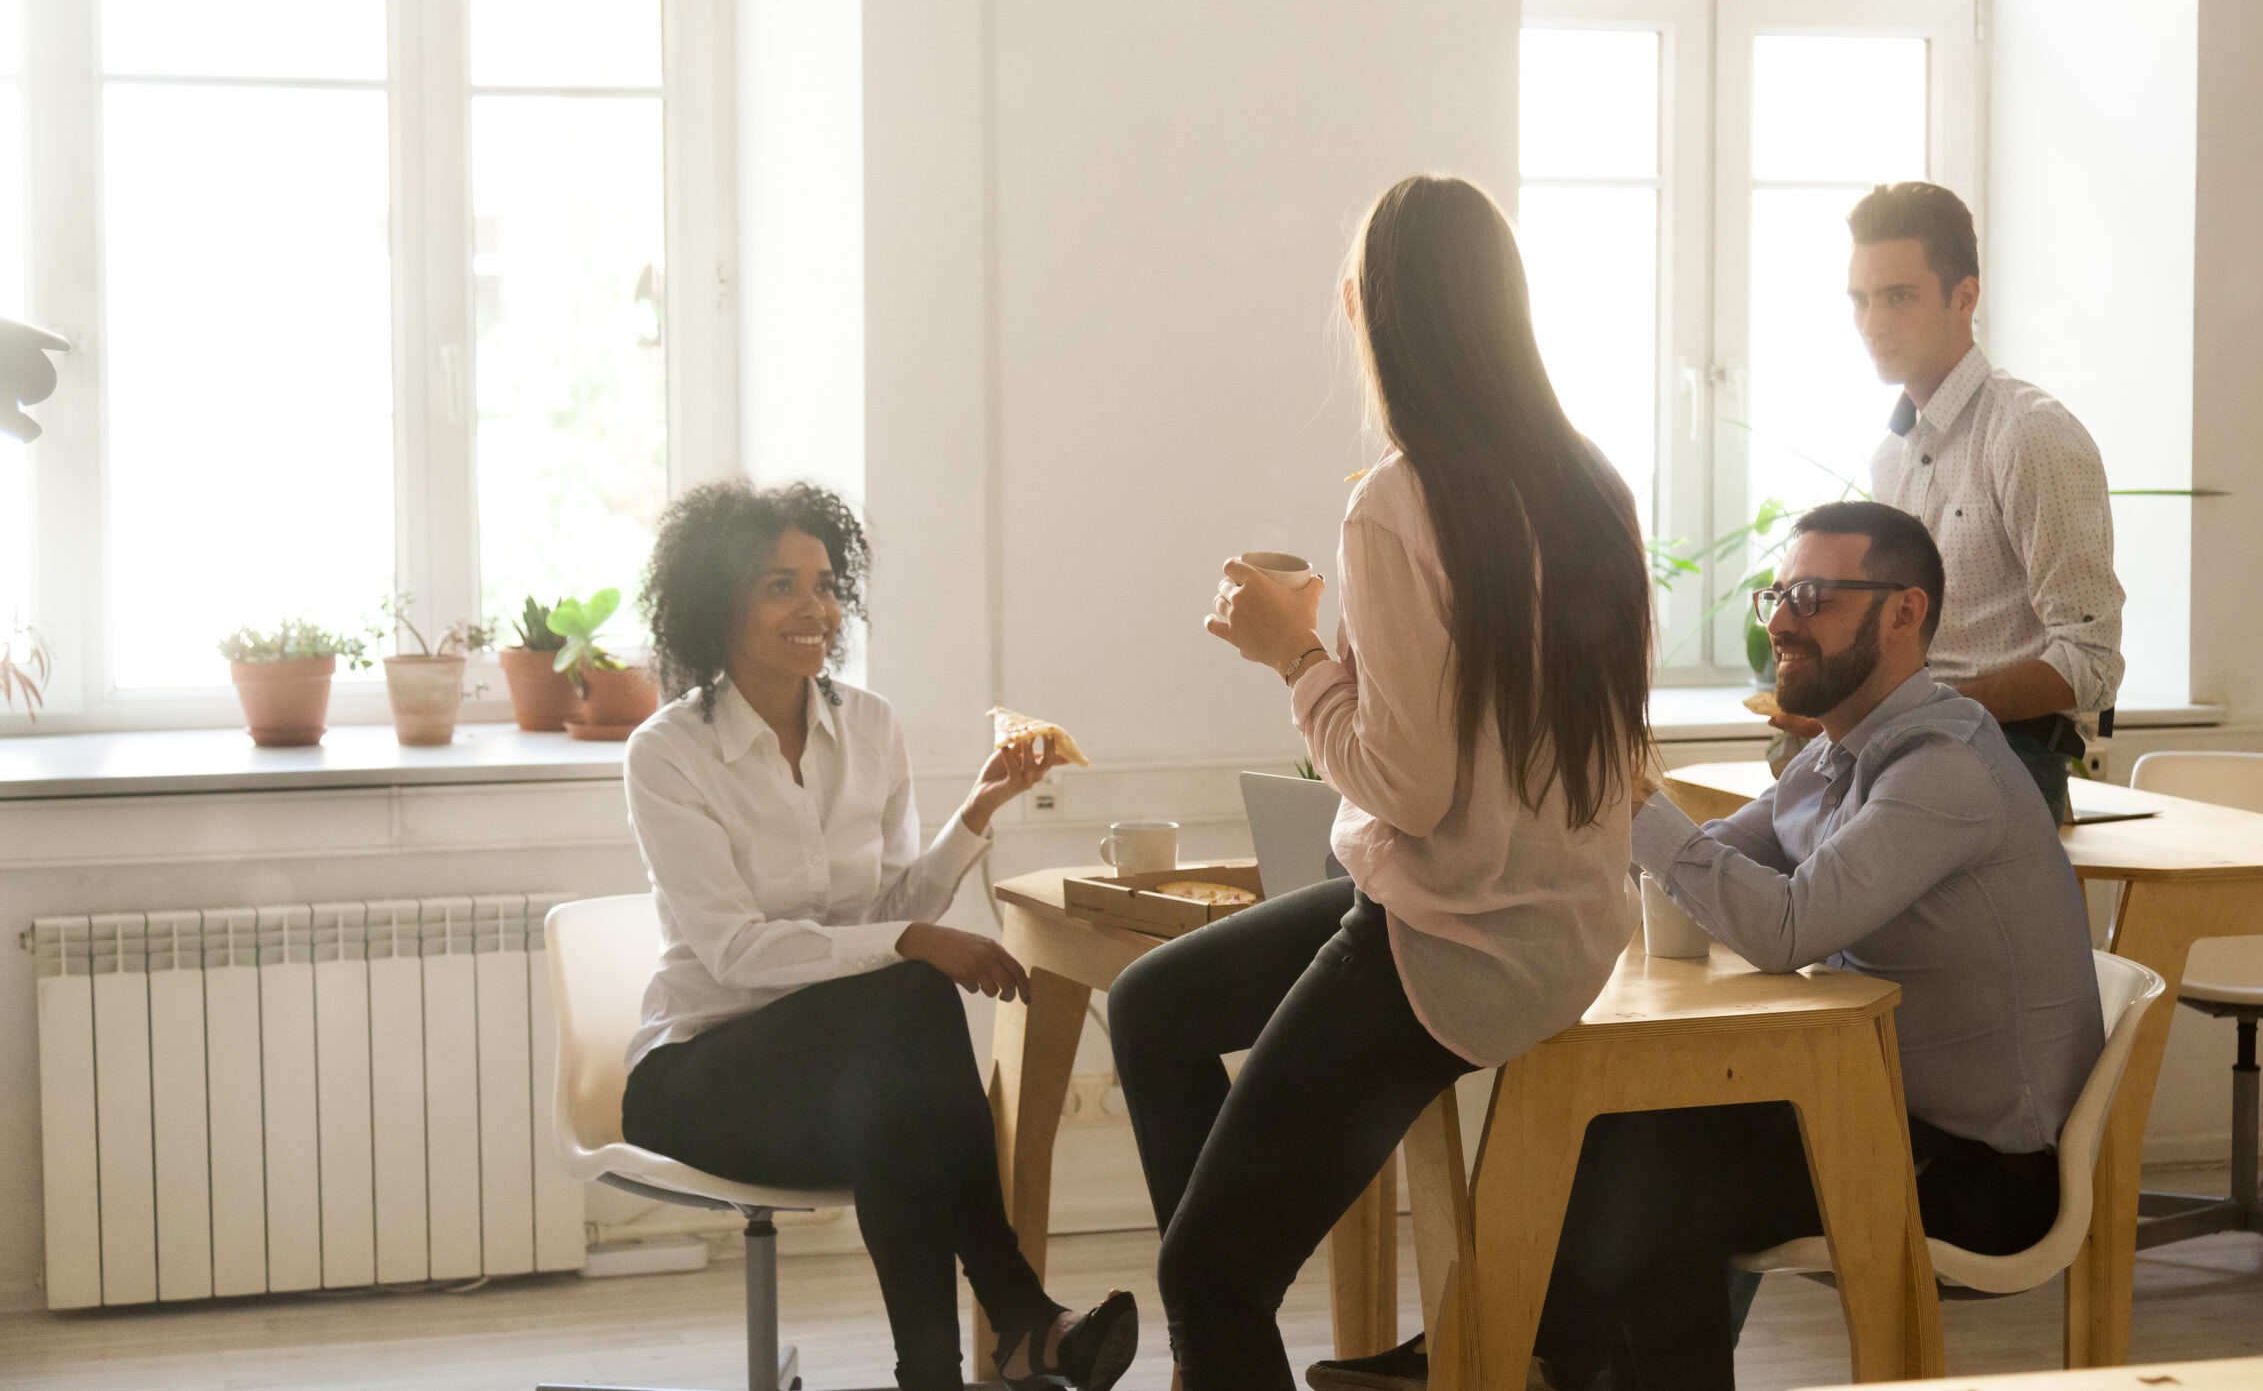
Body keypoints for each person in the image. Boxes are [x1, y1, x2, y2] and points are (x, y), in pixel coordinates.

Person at [1106, 175, 1652, 1391]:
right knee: (1153, 1009)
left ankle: (1227, 1277)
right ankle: (1238, 1236)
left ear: (1376, 316)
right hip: (1565, 925)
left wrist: (1293, 655)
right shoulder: (1594, 487)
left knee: (1203, 1280)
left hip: (1450, 938)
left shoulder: (1400, 504)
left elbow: (1401, 786)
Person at [1534, 501, 2104, 1391]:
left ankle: (1528, 1363)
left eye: (1814, 595)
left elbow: (1786, 925)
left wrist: (1627, 802)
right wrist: (1609, 804)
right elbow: (1721, 865)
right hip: (1874, 1109)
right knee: (1624, 1127)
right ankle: (1540, 1361)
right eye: (1777, 595)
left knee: (1659, 1188)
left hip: (1982, 1173)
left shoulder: (1941, 767)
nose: (1783, 622)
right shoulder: (1836, 753)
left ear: (1905, 613)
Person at [617, 479, 1137, 1391]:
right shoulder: (667, 753)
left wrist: (979, 809)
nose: (815, 606)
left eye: (823, 582)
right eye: (781, 584)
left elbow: (896, 907)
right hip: (702, 1072)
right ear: (714, 600)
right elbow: (738, 950)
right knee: (910, 1004)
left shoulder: (871, 726)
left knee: (896, 1096)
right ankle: (1016, 1319)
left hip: (846, 1080)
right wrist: (910, 945)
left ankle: (941, 1369)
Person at [1775, 181, 2125, 825]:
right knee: (1752, 831)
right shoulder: (1892, 454)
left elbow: (2091, 663)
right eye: (1861, 300)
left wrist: (1926, 709)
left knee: (1785, 881)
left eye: (1899, 297)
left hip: (2005, 757)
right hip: (1907, 750)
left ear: (1965, 296)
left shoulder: (2030, 434)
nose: (1873, 323)